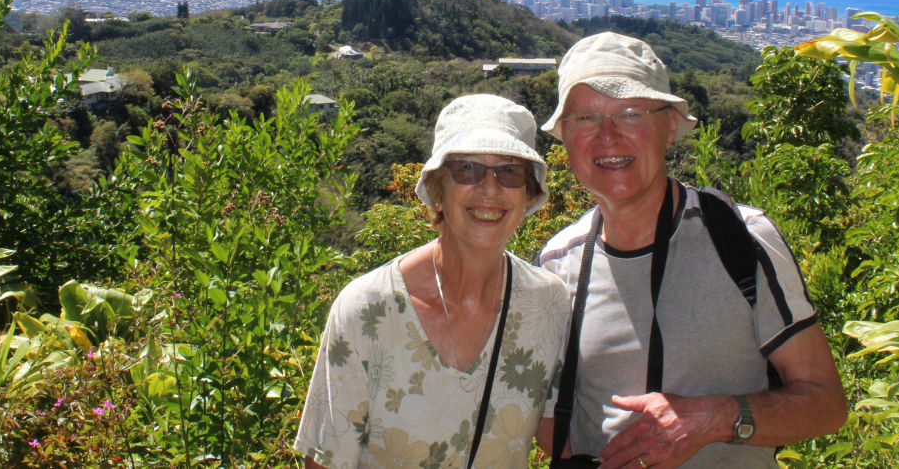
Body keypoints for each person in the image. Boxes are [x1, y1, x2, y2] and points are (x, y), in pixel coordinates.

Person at [535, 32, 848, 469]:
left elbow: (827, 405)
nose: (607, 136)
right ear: (565, 140)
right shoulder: (557, 266)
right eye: (585, 118)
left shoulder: (741, 238)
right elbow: (553, 430)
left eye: (631, 113)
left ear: (670, 127)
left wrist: (714, 419)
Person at [295, 94, 570, 469]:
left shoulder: (548, 304)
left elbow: (557, 428)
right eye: (468, 169)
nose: (489, 188)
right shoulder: (367, 310)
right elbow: (326, 461)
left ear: (528, 194)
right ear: (437, 190)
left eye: (509, 171)